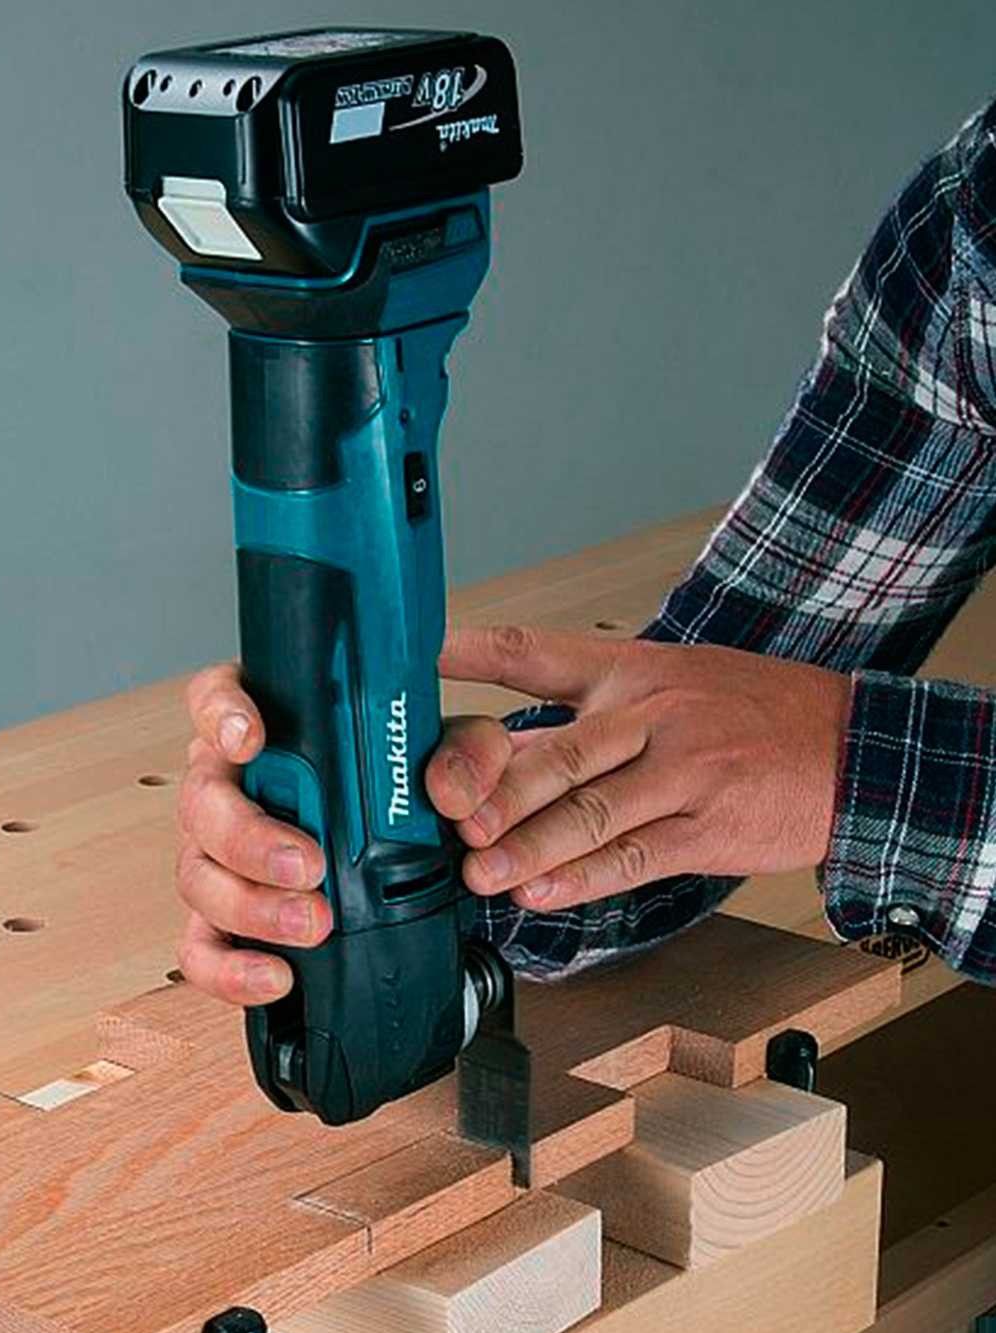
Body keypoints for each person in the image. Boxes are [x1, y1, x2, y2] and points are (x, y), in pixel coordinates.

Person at [175, 100, 996, 1009]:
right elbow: (713, 743)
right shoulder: (974, 230)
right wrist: (387, 846)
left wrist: (858, 773)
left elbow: (807, 760)